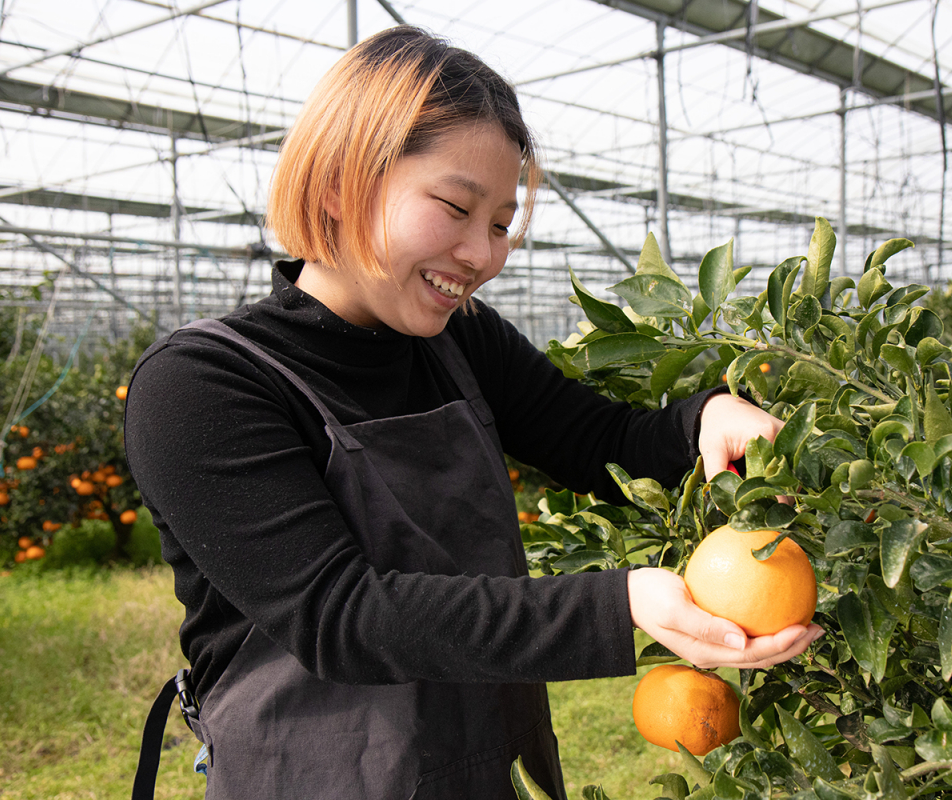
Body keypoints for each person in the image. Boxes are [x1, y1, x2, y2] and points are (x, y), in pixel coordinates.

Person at [125, 25, 824, 800]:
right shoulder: (201, 385)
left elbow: (600, 441)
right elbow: (341, 614)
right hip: (311, 776)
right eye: (456, 208)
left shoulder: (462, 342)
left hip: (476, 761)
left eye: (498, 225)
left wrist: (704, 421)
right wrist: (621, 601)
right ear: (338, 183)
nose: (482, 255)